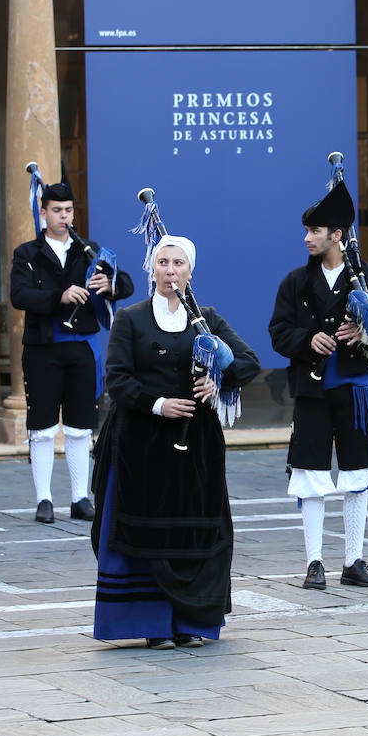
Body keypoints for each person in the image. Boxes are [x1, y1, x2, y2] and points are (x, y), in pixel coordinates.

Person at [91, 235, 259, 650]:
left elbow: (248, 362)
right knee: (145, 534)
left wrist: (216, 378)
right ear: (152, 270)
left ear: (190, 271)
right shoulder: (131, 318)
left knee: (193, 533)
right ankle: (152, 623)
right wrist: (159, 404)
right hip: (140, 444)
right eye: (162, 262)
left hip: (195, 446)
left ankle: (188, 620)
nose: (170, 270)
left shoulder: (207, 320)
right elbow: (117, 379)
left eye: (178, 263)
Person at [268, 180, 368, 591]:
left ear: (337, 236)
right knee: (310, 475)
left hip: (354, 390)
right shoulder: (295, 281)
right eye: (307, 231)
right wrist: (307, 340)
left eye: (315, 232)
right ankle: (314, 562)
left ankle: (353, 560)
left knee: (358, 474)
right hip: (311, 392)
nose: (307, 238)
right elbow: (278, 331)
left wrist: (366, 332)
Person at [11, 181, 134, 523]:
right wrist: (59, 297)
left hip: (81, 348)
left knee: (81, 426)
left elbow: (126, 283)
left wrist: (110, 285)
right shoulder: (27, 253)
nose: (63, 217)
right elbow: (19, 295)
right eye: (56, 211)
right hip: (42, 349)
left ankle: (81, 497)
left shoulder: (88, 250)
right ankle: (44, 499)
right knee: (43, 426)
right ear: (44, 212)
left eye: (68, 211)